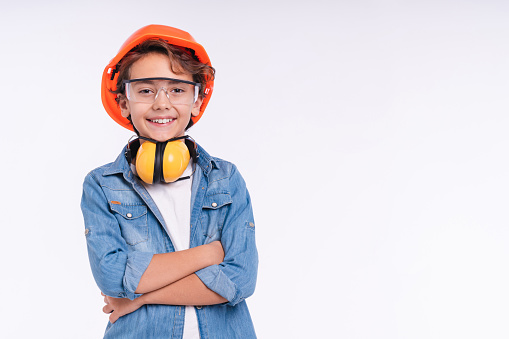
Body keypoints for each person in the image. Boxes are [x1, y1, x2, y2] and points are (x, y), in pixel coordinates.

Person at [81, 24, 258, 338]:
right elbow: (113, 278)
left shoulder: (226, 179)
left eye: (177, 89)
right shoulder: (102, 185)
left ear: (197, 101)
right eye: (145, 90)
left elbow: (240, 280)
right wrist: (207, 254)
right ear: (124, 102)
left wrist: (140, 298)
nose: (161, 103)